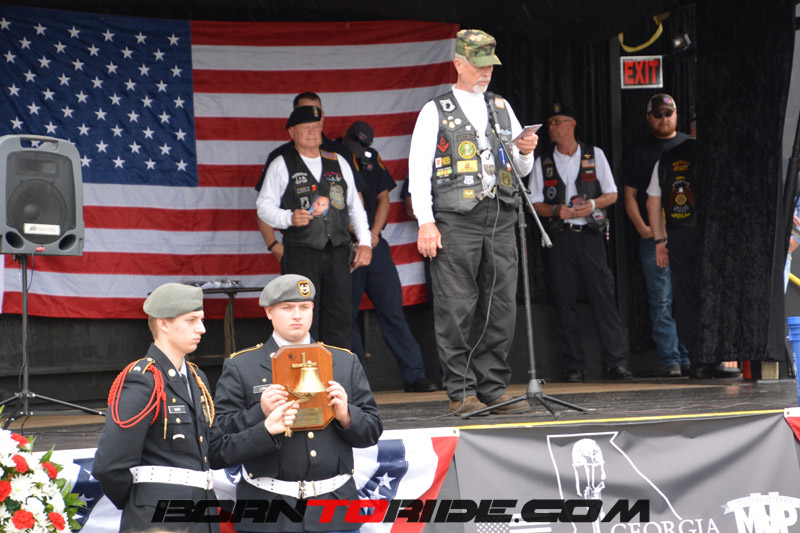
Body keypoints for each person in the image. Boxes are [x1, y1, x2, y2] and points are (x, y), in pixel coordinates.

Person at [408, 29, 538, 415]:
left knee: (501, 303)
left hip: (500, 215)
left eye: (490, 66)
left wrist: (526, 151)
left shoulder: (501, 106)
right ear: (459, 63)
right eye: (479, 65)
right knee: (456, 305)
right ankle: (461, 390)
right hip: (455, 218)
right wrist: (426, 222)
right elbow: (418, 172)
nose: (486, 72)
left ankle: (492, 386)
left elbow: (520, 169)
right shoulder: (435, 110)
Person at [92, 283, 291, 532]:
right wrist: (141, 502)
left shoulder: (197, 379)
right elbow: (109, 465)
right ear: (164, 324)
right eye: (191, 320)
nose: (202, 328)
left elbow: (216, 451)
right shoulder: (143, 379)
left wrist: (266, 430)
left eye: (201, 320)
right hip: (157, 520)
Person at [213, 274, 383, 532]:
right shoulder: (241, 365)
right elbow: (219, 441)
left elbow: (372, 431)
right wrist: (260, 413)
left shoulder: (344, 361)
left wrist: (347, 415)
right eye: (287, 307)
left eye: (304, 307)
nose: (297, 315)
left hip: (335, 510)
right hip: (269, 513)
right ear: (269, 311)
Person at [529, 103, 633, 382]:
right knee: (564, 302)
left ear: (572, 124)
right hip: (560, 238)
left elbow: (612, 194)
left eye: (557, 121)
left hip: (590, 236)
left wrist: (593, 204)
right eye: (550, 123)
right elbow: (533, 202)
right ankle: (573, 366)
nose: (552, 127)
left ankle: (615, 363)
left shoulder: (594, 154)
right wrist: (554, 210)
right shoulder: (543, 162)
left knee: (603, 299)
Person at [256, 105, 372, 349]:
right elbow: (263, 207)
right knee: (302, 314)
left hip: (338, 251)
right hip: (301, 252)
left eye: (316, 127)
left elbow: (355, 207)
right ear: (292, 132)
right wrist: (288, 218)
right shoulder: (282, 163)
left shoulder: (338, 161)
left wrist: (364, 242)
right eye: (306, 127)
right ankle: (305, 371)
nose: (312, 132)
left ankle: (337, 370)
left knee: (340, 315)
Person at [341, 120, 438, 393]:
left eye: (362, 146)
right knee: (346, 316)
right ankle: (356, 383)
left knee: (393, 310)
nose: (358, 150)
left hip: (375, 243)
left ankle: (414, 375)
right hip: (346, 244)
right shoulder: (335, 156)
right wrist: (360, 235)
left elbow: (384, 198)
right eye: (355, 144)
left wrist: (372, 234)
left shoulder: (371, 157)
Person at [646, 118, 741, 379]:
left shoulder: (666, 157)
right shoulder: (718, 156)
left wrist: (660, 241)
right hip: (710, 236)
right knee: (713, 294)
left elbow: (652, 203)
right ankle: (712, 358)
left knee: (685, 296)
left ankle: (697, 359)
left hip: (678, 236)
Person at [623, 94, 691, 377]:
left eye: (668, 113)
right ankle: (671, 360)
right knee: (661, 300)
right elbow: (629, 195)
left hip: (685, 235)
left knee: (688, 297)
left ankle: (691, 358)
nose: (664, 119)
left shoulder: (690, 145)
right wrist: (642, 227)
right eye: (658, 114)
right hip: (654, 236)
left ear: (677, 114)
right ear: (649, 117)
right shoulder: (639, 151)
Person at [255, 92, 364, 266]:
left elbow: (355, 200)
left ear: (323, 116)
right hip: (299, 247)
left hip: (339, 247)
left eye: (316, 112)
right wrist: (273, 244)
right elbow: (264, 204)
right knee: (302, 285)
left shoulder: (340, 153)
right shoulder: (280, 158)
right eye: (304, 112)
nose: (312, 116)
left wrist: (361, 239)